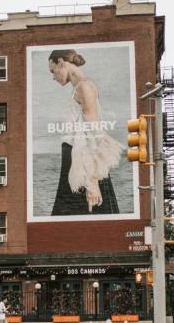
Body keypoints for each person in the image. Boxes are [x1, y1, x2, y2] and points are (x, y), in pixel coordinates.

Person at [47, 50, 123, 216]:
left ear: (61, 62)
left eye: (53, 71)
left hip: (82, 165)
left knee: (81, 221)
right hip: (74, 161)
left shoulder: (84, 86)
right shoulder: (79, 88)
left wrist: (92, 182)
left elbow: (93, 136)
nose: (53, 77)